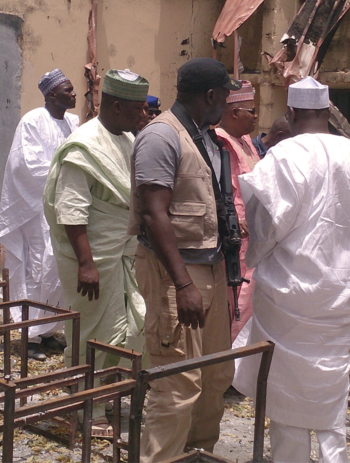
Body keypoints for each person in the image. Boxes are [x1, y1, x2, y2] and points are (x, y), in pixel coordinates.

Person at [233, 77, 350, 463]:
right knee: (329, 379)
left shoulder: (283, 158)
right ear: (327, 113)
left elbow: (266, 226)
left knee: (285, 382)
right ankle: (334, 457)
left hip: (286, 290)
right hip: (337, 290)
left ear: (290, 113)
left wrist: (256, 255)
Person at [129, 57, 242, 462]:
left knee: (214, 377)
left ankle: (196, 454)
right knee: (176, 384)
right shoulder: (162, 136)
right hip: (176, 274)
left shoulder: (206, 137)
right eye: (225, 96)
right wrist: (183, 284)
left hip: (208, 269)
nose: (227, 103)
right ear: (210, 95)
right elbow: (153, 213)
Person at [44, 70, 150, 436]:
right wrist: (87, 263)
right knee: (92, 332)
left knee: (125, 327)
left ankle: (102, 396)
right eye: (137, 108)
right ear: (117, 105)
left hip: (121, 254)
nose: (143, 115)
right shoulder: (84, 146)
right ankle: (84, 406)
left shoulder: (127, 139)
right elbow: (71, 210)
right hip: (91, 260)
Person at [0, 69, 79, 358]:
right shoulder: (32, 121)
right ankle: (28, 337)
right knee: (37, 267)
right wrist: (66, 180)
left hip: (65, 206)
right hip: (37, 208)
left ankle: (46, 330)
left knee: (58, 269)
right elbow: (27, 165)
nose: (74, 94)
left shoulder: (73, 122)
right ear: (51, 95)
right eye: (68, 90)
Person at [213, 81, 261, 344]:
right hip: (235, 236)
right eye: (251, 111)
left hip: (254, 233)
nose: (255, 117)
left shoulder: (245, 141)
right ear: (233, 113)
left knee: (251, 296)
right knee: (237, 298)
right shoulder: (220, 143)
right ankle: (229, 359)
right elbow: (222, 190)